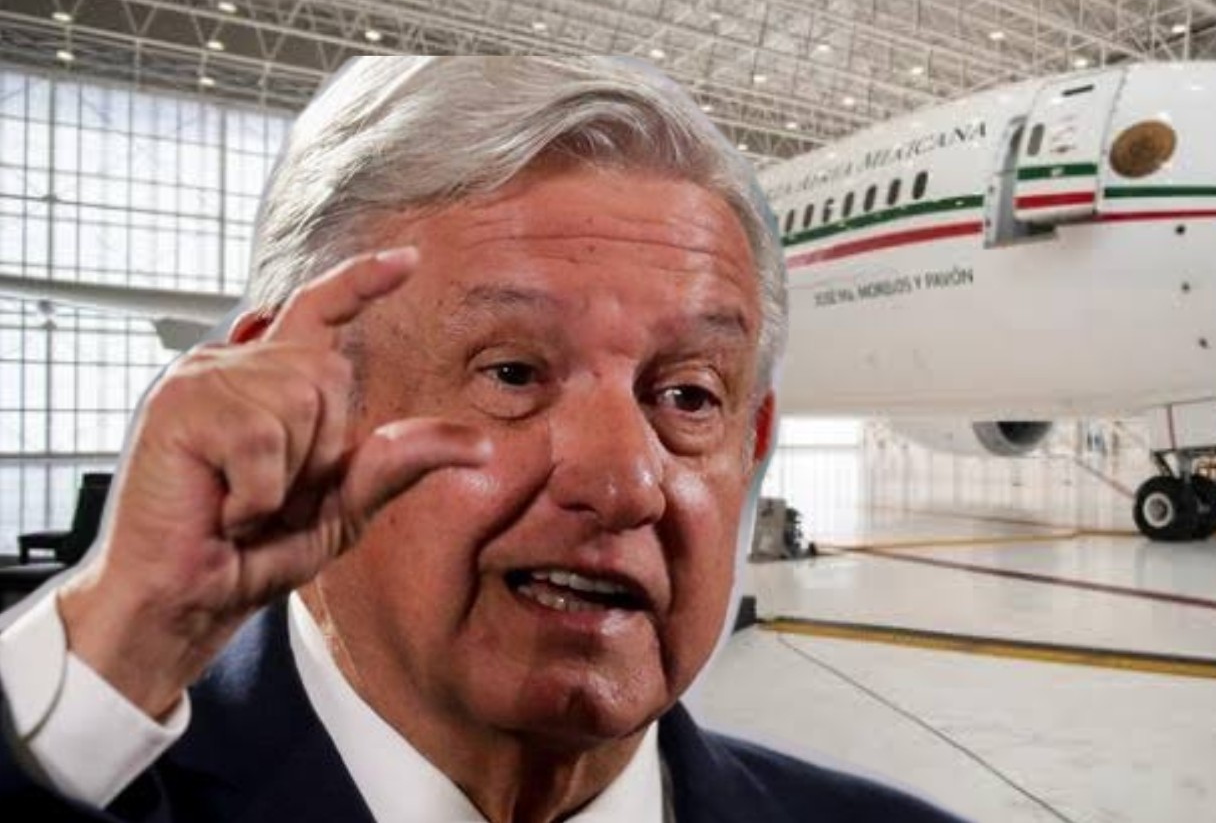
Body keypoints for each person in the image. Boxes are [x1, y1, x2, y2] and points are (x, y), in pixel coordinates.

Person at [0, 56, 960, 822]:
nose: (624, 482)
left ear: (751, 446)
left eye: (686, 396)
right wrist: (113, 653)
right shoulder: (75, 784)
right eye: (512, 375)